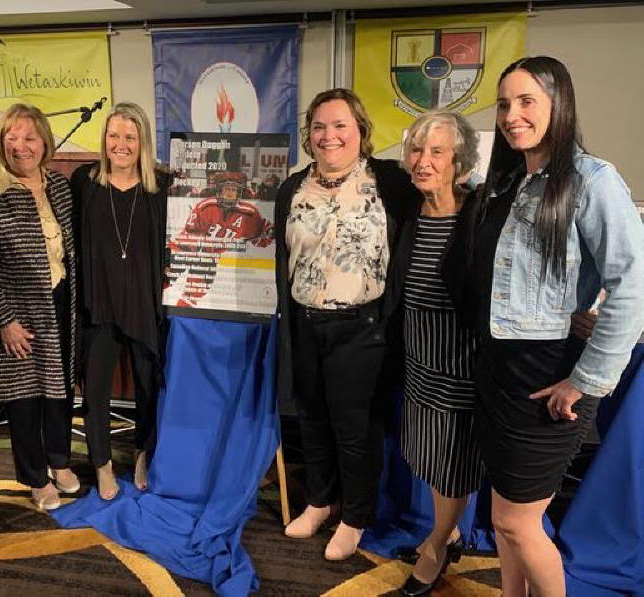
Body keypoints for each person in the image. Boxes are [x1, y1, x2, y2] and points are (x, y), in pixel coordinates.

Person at [451, 56, 644, 597]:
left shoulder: (592, 180)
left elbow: (633, 286)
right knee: (504, 518)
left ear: (559, 104)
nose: (512, 115)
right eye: (504, 104)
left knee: (518, 523)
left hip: (548, 381)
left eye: (526, 101)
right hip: (497, 373)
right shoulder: (509, 182)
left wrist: (585, 382)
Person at [275, 88, 420, 560]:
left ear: (361, 131)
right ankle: (321, 501)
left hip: (364, 328)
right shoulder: (292, 189)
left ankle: (356, 516)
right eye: (319, 126)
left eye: (340, 125)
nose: (329, 135)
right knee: (312, 419)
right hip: (305, 323)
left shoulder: (391, 182)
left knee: (355, 429)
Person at [0, 103, 78, 511]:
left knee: (60, 388)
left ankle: (59, 460)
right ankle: (35, 476)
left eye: (30, 137)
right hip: (15, 311)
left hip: (60, 301)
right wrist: (3, 321)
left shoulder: (59, 186)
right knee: (24, 397)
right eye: (11, 137)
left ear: (44, 142)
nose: (20, 146)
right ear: (0, 142)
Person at [391, 111, 482, 595]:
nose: (423, 161)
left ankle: (436, 548)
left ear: (459, 162)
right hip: (419, 359)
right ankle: (447, 531)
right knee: (429, 456)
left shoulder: (479, 215)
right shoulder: (410, 211)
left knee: (452, 464)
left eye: (437, 152)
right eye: (416, 150)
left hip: (461, 364)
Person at [69, 102, 169, 498]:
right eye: (114, 135)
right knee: (94, 390)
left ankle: (144, 451)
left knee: (149, 386)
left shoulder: (162, 187)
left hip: (145, 302)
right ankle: (102, 464)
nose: (120, 144)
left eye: (130, 137)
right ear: (104, 139)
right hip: (99, 302)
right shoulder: (85, 181)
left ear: (143, 142)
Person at [166, 170, 273, 308]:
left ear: (239, 193)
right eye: (226, 189)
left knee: (193, 294)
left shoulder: (249, 214)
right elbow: (190, 234)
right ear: (219, 191)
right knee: (163, 278)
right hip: (183, 250)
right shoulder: (206, 207)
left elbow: (260, 233)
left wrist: (270, 233)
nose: (229, 193)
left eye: (233, 190)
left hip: (208, 257)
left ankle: (181, 314)